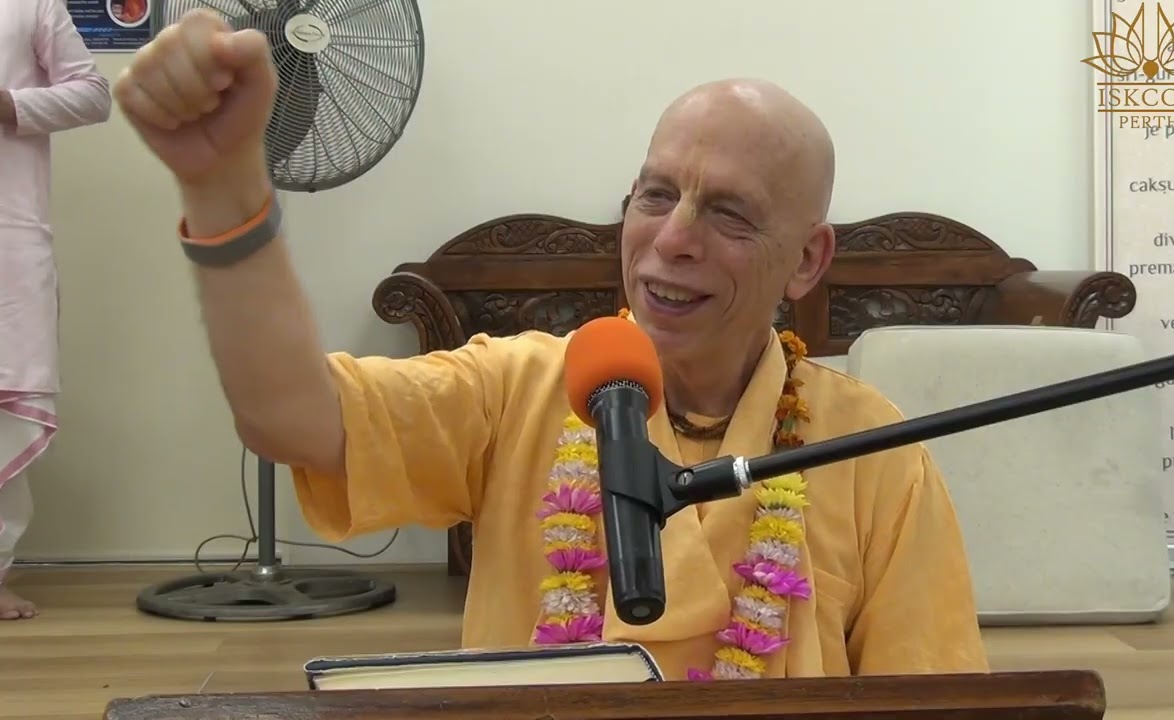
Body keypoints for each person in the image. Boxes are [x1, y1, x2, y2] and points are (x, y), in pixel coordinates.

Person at [114, 10, 989, 678]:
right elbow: (289, 418)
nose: (671, 239)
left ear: (807, 259)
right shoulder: (521, 387)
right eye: (654, 196)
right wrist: (223, 187)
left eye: (727, 213)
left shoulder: (877, 455)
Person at [0, 0, 112, 620]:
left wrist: (11, 105)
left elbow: (94, 94)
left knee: (5, 401)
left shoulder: (30, 4)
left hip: (8, 234)